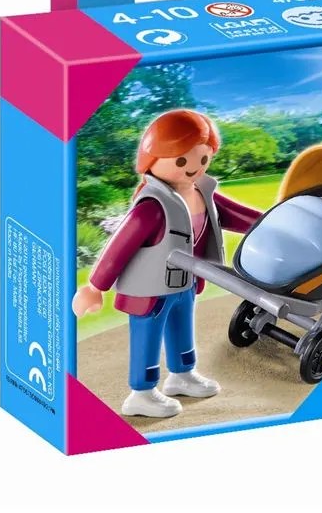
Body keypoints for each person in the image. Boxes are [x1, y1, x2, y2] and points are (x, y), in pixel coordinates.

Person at [72, 110, 262, 418]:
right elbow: (119, 247)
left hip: (185, 281)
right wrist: (95, 287)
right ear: (152, 159)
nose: (194, 168)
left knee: (182, 329)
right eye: (181, 160)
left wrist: (268, 224)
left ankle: (182, 375)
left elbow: (237, 216)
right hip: (150, 289)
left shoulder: (201, 192)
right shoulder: (152, 206)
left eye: (203, 159)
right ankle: (142, 393)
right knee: (148, 336)